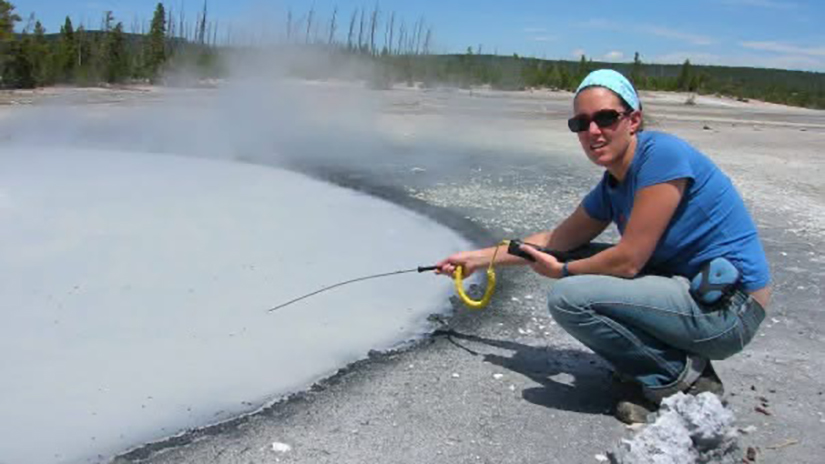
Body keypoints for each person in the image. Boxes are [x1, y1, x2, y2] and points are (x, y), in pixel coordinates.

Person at [435, 69, 770, 424]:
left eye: (606, 118)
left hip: (731, 311)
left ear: (634, 119)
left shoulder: (662, 156)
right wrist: (476, 259)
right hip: (694, 296)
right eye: (581, 123)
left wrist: (562, 271)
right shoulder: (613, 184)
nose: (593, 131)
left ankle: (681, 378)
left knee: (569, 296)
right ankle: (667, 364)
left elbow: (628, 261)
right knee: (581, 255)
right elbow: (556, 241)